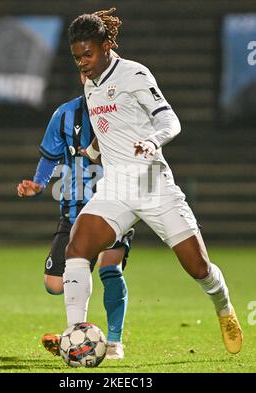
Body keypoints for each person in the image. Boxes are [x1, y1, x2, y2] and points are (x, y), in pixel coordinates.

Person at [62, 7, 243, 355]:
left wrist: (152, 141)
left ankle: (223, 306)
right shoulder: (89, 82)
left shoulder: (134, 74)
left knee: (199, 267)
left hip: (152, 184)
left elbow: (170, 120)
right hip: (115, 187)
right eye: (76, 57)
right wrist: (94, 150)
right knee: (78, 247)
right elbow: (111, 125)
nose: (82, 63)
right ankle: (76, 335)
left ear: (106, 44)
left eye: (88, 54)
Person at [17, 92, 133, 359]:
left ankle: (113, 342)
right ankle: (78, 335)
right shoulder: (64, 115)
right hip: (74, 211)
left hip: (115, 206)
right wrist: (38, 183)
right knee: (54, 284)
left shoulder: (124, 110)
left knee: (109, 268)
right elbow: (49, 157)